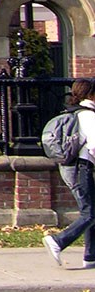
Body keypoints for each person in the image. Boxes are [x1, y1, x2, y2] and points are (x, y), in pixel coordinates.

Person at [44, 79, 95, 269]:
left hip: (72, 167)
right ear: (91, 95)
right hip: (82, 168)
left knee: (92, 212)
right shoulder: (89, 116)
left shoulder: (73, 113)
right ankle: (57, 241)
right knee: (89, 214)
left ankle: (91, 257)